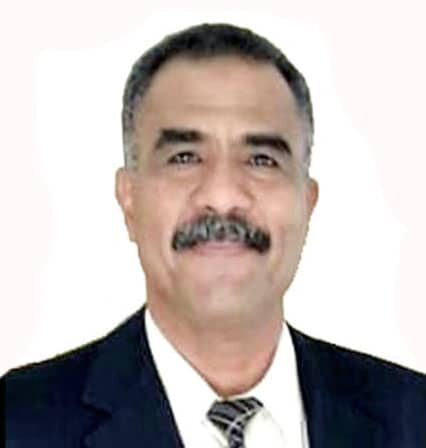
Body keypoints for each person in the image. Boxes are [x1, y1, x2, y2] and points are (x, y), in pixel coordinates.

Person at [2, 23, 425, 448]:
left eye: (261, 159)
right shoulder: (18, 423)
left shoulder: (413, 416)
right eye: (184, 157)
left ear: (307, 203)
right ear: (129, 200)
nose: (222, 197)